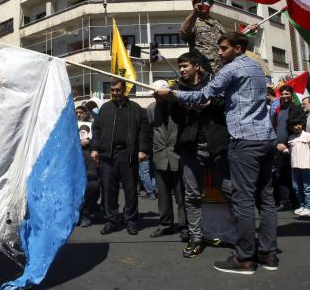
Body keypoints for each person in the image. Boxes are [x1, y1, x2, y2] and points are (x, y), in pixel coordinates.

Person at [158, 32, 278, 274]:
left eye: (223, 48)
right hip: (266, 138)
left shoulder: (230, 69)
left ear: (237, 47)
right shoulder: (256, 66)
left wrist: (172, 95)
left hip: (244, 140)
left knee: (242, 199)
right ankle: (267, 253)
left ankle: (244, 258)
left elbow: (204, 95)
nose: (220, 52)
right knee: (266, 200)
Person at [170, 52, 231, 257]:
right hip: (190, 148)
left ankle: (242, 235)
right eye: (180, 66)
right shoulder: (177, 89)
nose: (181, 70)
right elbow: (176, 118)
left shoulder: (215, 83)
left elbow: (228, 106)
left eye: (185, 65)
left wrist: (210, 103)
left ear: (197, 66)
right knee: (192, 195)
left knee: (230, 190)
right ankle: (196, 238)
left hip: (218, 146)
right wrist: (177, 102)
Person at [91, 80, 150, 236]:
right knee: (109, 190)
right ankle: (111, 220)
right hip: (107, 155)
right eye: (112, 90)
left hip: (128, 154)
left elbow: (144, 130)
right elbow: (96, 129)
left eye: (117, 90)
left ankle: (131, 221)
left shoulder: (136, 109)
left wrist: (143, 150)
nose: (114, 93)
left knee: (130, 190)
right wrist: (95, 148)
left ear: (125, 90)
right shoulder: (105, 108)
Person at [146, 79, 185, 239]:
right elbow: (149, 131)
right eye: (154, 94)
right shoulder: (150, 109)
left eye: (158, 94)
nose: (155, 97)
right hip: (160, 156)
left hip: (178, 156)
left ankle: (185, 226)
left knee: (182, 195)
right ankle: (165, 224)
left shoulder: (179, 107)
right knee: (162, 195)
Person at [272, 85, 305, 210]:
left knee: (295, 174)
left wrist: (286, 143)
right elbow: (273, 127)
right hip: (278, 147)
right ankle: (284, 201)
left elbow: (299, 127)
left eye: (287, 94)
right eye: (282, 94)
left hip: (292, 146)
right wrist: (276, 143)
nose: (284, 96)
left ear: (292, 95)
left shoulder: (297, 109)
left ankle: (298, 201)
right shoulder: (278, 110)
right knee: (282, 175)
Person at [180, 0, 226, 73]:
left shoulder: (217, 23)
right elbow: (184, 34)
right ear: (194, 4)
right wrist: (194, 13)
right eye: (199, 1)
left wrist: (245, 31)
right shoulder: (193, 21)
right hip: (203, 71)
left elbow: (228, 42)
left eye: (206, 1)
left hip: (221, 70)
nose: (203, 3)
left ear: (211, 4)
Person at [287, 118, 310, 217]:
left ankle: (309, 208)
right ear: (291, 127)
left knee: (307, 187)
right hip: (295, 166)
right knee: (296, 188)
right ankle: (301, 206)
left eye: (299, 124)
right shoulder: (291, 138)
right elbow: (292, 152)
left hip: (306, 165)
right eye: (295, 125)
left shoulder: (308, 136)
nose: (297, 126)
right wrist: (285, 150)